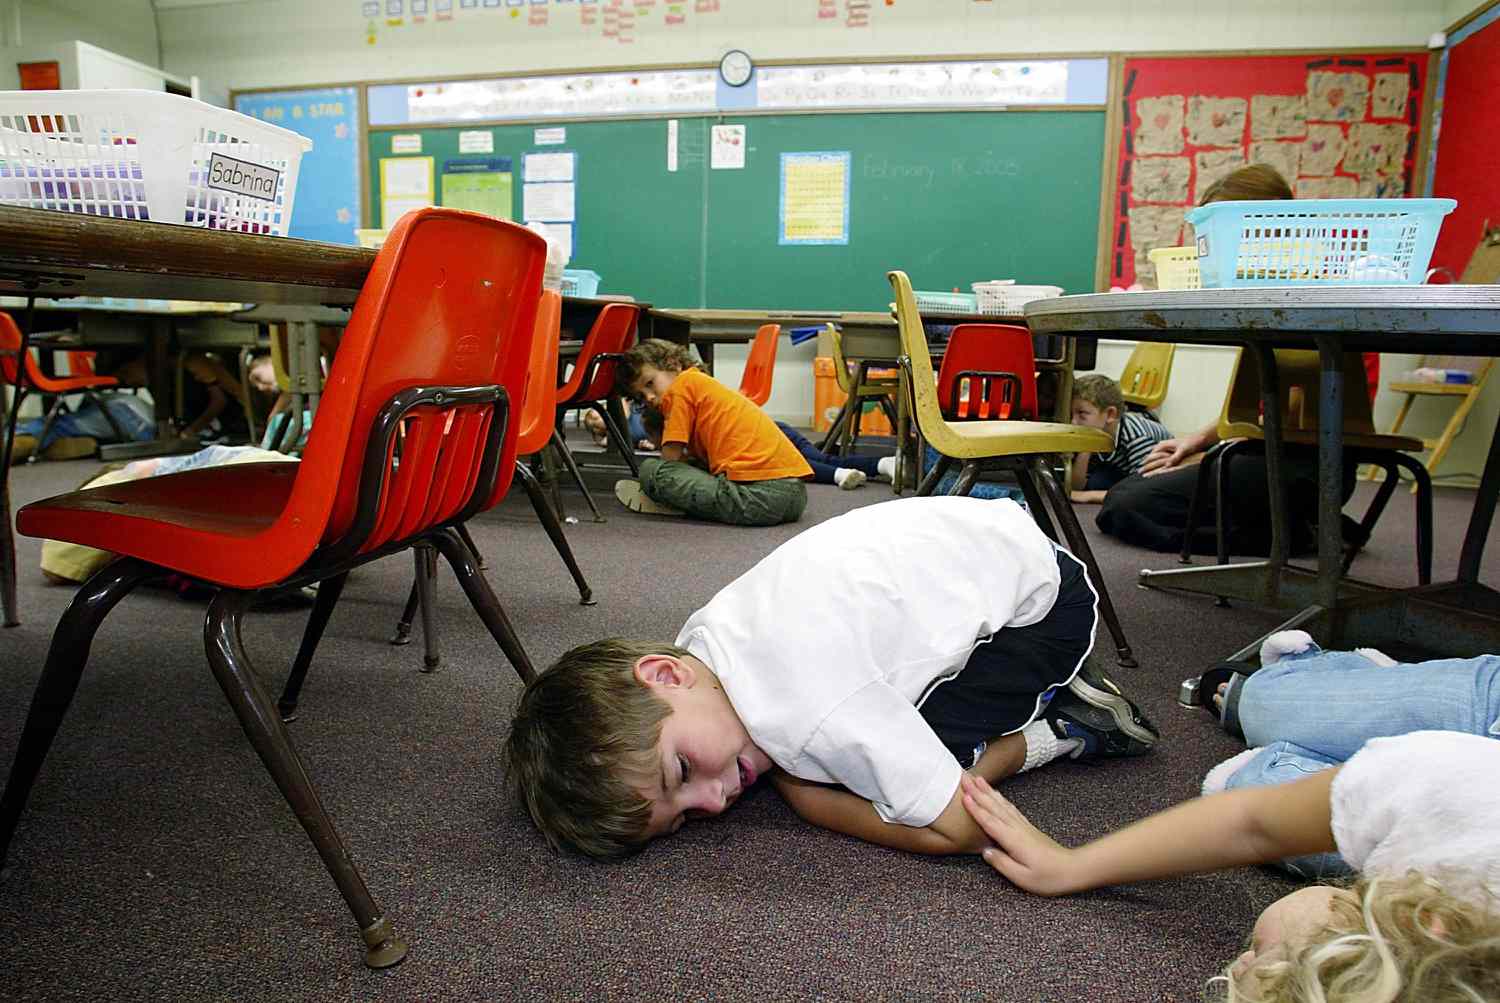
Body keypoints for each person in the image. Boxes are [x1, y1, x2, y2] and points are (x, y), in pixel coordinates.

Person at [504, 495, 1160, 859]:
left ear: (663, 675)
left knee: (849, 770)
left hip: (1043, 610)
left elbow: (963, 827)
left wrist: (800, 791)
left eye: (681, 773)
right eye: (682, 818)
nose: (710, 802)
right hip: (981, 534)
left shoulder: (812, 711)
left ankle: (1065, 721)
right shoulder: (701, 643)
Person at [959, 629, 1500, 1002]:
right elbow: (1250, 824)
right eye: (1264, 963)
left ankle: (1323, 756)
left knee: (1257, 782)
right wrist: (1073, 865)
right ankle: (1325, 673)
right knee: (1258, 703)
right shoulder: (1448, 792)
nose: (1234, 970)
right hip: (1484, 720)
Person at [1095, 163, 1362, 555]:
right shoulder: (1265, 292)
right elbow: (1265, 404)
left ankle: (1298, 536)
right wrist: (1196, 441)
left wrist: (1219, 446)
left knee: (1127, 507)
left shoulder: (1312, 292)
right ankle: (1298, 525)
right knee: (1129, 489)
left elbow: (1302, 413)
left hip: (1305, 465)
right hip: (1266, 454)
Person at [610, 339, 813, 524]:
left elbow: (669, 460)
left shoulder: (680, 388)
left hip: (760, 499)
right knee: (693, 466)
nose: (650, 397)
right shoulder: (700, 384)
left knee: (653, 471)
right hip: (795, 496)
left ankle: (672, 503)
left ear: (674, 364)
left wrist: (654, 485)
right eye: (642, 396)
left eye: (650, 383)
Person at [1067, 373, 1171, 504]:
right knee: (1096, 482)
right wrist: (1085, 450)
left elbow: (1144, 489)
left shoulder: (1137, 437)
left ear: (1110, 414)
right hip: (1125, 471)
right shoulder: (1097, 431)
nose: (1073, 422)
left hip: (1157, 479)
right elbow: (1076, 487)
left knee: (1135, 496)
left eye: (1082, 414)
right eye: (1072, 414)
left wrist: (1089, 496)